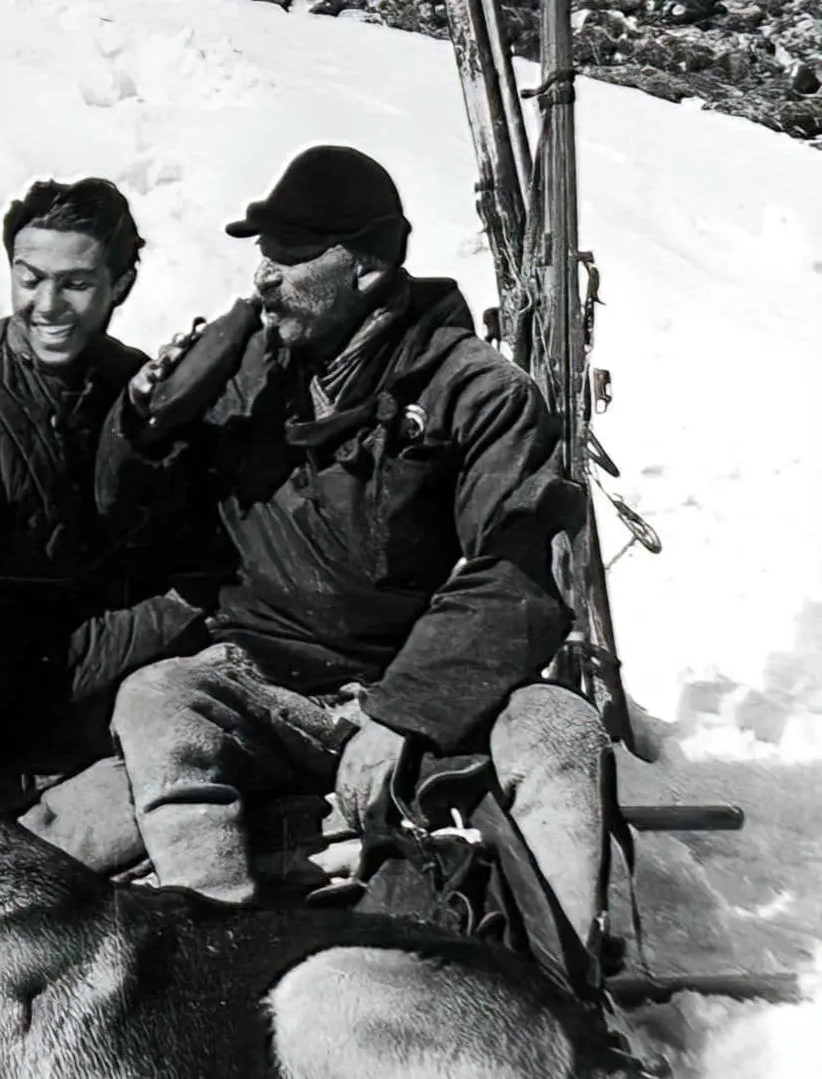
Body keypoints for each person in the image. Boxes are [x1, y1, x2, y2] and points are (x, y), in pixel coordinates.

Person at [96, 144, 608, 943]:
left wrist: (401, 715)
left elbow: (513, 576)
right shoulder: (245, 371)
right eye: (264, 254)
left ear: (366, 268)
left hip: (431, 698)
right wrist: (142, 427)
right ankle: (223, 960)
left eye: (293, 256)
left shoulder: (477, 392)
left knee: (558, 728)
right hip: (268, 683)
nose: (265, 276)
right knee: (158, 697)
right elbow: (142, 527)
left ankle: (559, 997)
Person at [0, 177, 205, 872]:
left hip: (72, 682)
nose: (47, 306)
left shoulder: (121, 378)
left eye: (76, 282)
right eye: (30, 279)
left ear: (122, 284)